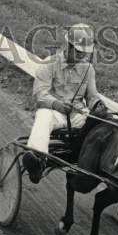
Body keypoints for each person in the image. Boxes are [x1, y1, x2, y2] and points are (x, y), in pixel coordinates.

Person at [22, 23, 100, 183]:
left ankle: (93, 164)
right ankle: (36, 158)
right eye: (79, 52)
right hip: (55, 113)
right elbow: (40, 94)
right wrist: (57, 104)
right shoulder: (49, 63)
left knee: (98, 122)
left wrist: (98, 105)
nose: (82, 57)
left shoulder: (88, 69)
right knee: (44, 115)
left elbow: (92, 96)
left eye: (85, 53)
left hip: (77, 115)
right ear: (68, 46)